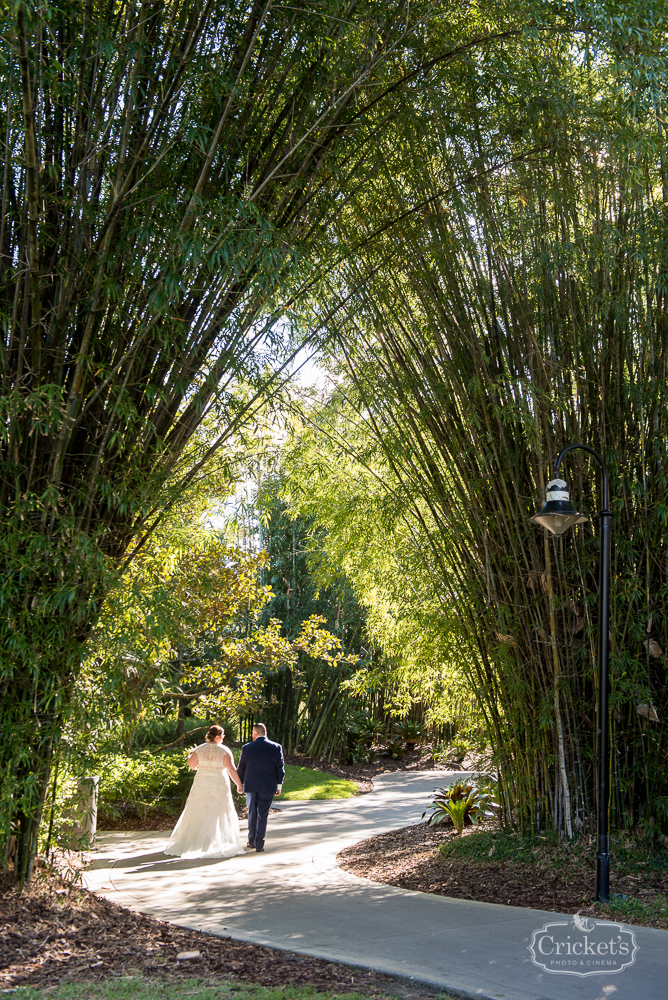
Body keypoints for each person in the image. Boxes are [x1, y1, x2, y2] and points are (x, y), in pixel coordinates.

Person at [164, 724, 244, 859]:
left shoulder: (199, 749)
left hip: (201, 782)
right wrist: (239, 785)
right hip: (218, 782)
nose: (223, 738)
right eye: (222, 736)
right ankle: (214, 842)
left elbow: (192, 765)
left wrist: (204, 768)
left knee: (198, 809)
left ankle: (193, 841)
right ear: (218, 737)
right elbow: (231, 769)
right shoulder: (224, 750)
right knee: (218, 810)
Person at [237, 723, 285, 852]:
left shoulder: (246, 748)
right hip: (268, 786)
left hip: (251, 786)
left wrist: (240, 784)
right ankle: (259, 844)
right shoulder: (276, 747)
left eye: (253, 733)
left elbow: (241, 768)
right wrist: (278, 786)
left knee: (252, 813)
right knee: (262, 814)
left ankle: (251, 841)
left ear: (255, 733)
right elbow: (280, 769)